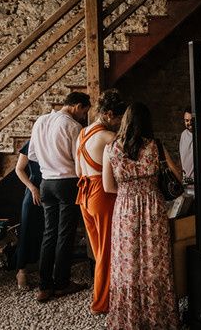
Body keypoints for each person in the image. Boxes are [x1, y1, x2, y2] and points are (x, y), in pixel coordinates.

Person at [103, 102, 180, 329]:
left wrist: (129, 191)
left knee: (127, 264)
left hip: (125, 209)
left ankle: (129, 318)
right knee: (154, 262)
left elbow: (108, 186)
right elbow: (178, 174)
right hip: (153, 208)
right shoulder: (155, 146)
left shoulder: (111, 148)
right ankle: (157, 316)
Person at [28, 91, 91, 302]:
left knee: (49, 233)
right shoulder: (73, 127)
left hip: (46, 183)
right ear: (76, 106)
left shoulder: (40, 121)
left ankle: (45, 286)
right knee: (65, 234)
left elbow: (33, 156)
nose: (84, 116)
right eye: (84, 111)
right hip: (66, 182)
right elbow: (79, 160)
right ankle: (62, 283)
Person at [75, 89, 127, 315]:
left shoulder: (82, 133)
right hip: (102, 194)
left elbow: (78, 170)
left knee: (98, 251)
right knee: (107, 252)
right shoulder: (108, 137)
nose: (118, 123)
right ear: (108, 114)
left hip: (84, 194)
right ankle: (100, 303)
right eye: (117, 118)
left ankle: (106, 293)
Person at [14, 140, 44, 289]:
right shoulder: (32, 142)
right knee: (26, 229)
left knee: (46, 230)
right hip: (34, 188)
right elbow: (19, 169)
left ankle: (43, 267)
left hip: (51, 186)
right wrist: (32, 188)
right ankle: (21, 271)